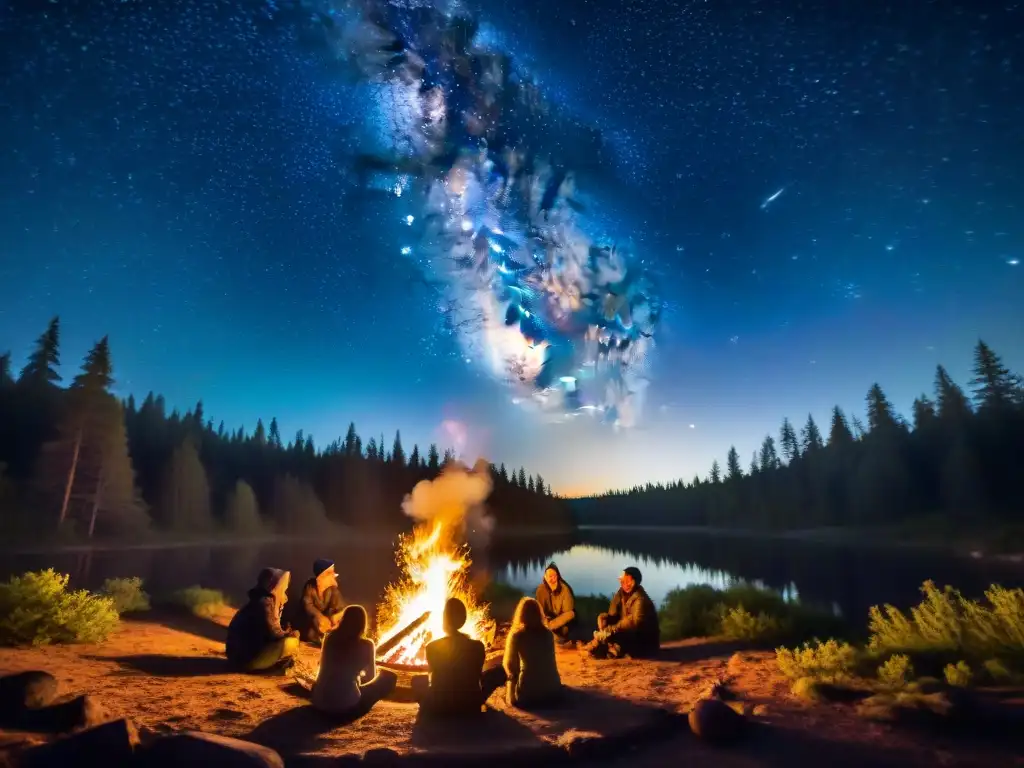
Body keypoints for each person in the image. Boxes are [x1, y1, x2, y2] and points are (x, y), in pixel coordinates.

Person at [411, 597, 506, 716]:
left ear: (445, 619)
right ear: (464, 619)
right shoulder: (478, 646)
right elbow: (478, 675)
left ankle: (427, 706)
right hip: (470, 705)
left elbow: (432, 676)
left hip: (440, 705)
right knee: (498, 671)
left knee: (417, 680)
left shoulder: (432, 647)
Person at [312, 605, 397, 717]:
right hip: (346, 706)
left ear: (343, 620)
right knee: (389, 678)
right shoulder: (367, 645)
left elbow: (323, 668)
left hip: (319, 701)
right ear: (363, 624)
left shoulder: (329, 638)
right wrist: (357, 677)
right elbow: (371, 678)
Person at [226, 568, 300, 673]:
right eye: (283, 590)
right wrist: (289, 634)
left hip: (238, 657)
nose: (286, 598)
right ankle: (275, 667)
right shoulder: (264, 603)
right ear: (275, 587)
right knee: (291, 641)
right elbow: (273, 633)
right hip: (246, 660)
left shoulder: (259, 600)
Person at [585, 567, 660, 659]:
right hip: (627, 632)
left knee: (620, 631)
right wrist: (605, 619)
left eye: (625, 581)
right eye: (622, 581)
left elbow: (634, 622)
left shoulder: (641, 598)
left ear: (633, 582)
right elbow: (613, 613)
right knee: (607, 623)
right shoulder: (621, 593)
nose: (622, 583)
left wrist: (611, 629)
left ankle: (613, 650)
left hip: (644, 641)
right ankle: (600, 645)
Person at [503, 597, 562, 709]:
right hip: (552, 691)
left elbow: (510, 667)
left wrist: (511, 692)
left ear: (521, 614)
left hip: (528, 693)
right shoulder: (548, 634)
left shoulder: (517, 636)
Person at [298, 558, 345, 644]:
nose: (333, 575)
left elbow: (340, 608)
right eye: (330, 573)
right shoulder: (310, 587)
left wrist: (336, 617)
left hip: (328, 623)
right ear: (322, 576)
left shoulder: (332, 590)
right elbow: (307, 605)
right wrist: (319, 616)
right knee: (312, 630)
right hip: (312, 623)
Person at [534, 562, 576, 645]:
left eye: (554, 575)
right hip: (546, 619)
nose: (552, 579)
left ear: (558, 576)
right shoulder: (540, 590)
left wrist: (551, 624)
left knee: (570, 615)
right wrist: (544, 620)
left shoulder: (565, 589)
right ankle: (552, 637)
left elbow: (568, 613)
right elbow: (539, 610)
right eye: (550, 576)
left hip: (559, 621)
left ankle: (550, 634)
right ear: (545, 577)